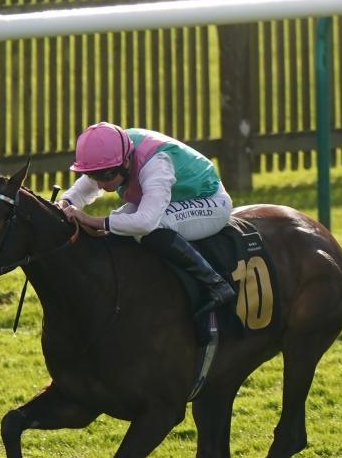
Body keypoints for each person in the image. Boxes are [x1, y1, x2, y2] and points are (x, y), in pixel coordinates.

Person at [57, 122, 236, 321]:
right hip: (176, 198)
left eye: (105, 176)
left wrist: (90, 219)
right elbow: (84, 187)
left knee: (146, 228)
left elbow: (146, 223)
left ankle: (216, 284)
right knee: (121, 222)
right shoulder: (113, 151)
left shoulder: (156, 164)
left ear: (126, 162)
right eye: (93, 175)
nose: (100, 183)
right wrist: (65, 203)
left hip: (210, 201)